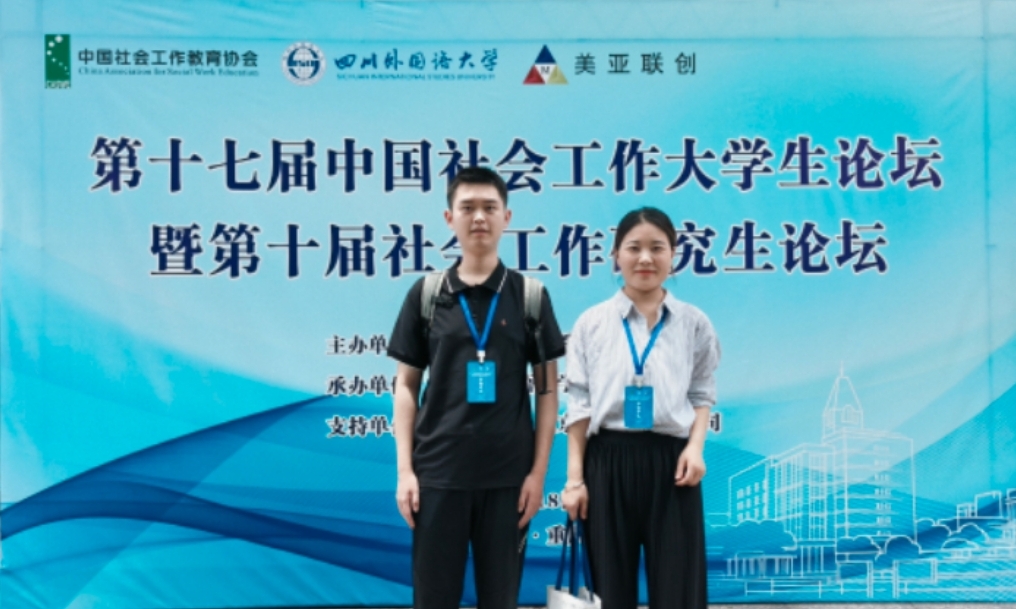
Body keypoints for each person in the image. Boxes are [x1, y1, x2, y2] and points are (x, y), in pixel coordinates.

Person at [387, 166, 567, 609]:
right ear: (450, 218)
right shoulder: (427, 295)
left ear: (507, 217)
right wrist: (406, 472)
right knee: (434, 599)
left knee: (500, 600)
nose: (480, 217)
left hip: (508, 480)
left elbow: (547, 392)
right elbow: (406, 386)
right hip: (438, 476)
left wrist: (537, 474)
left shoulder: (530, 296)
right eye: (468, 208)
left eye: (490, 207)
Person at [561, 206, 721, 609]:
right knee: (610, 591)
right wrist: (575, 480)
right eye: (634, 248)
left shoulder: (693, 323)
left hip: (674, 465)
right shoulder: (592, 323)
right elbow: (578, 405)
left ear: (673, 255)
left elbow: (702, 394)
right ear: (616, 255)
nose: (645, 258)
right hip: (606, 463)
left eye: (657, 248)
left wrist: (695, 449)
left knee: (679, 590)